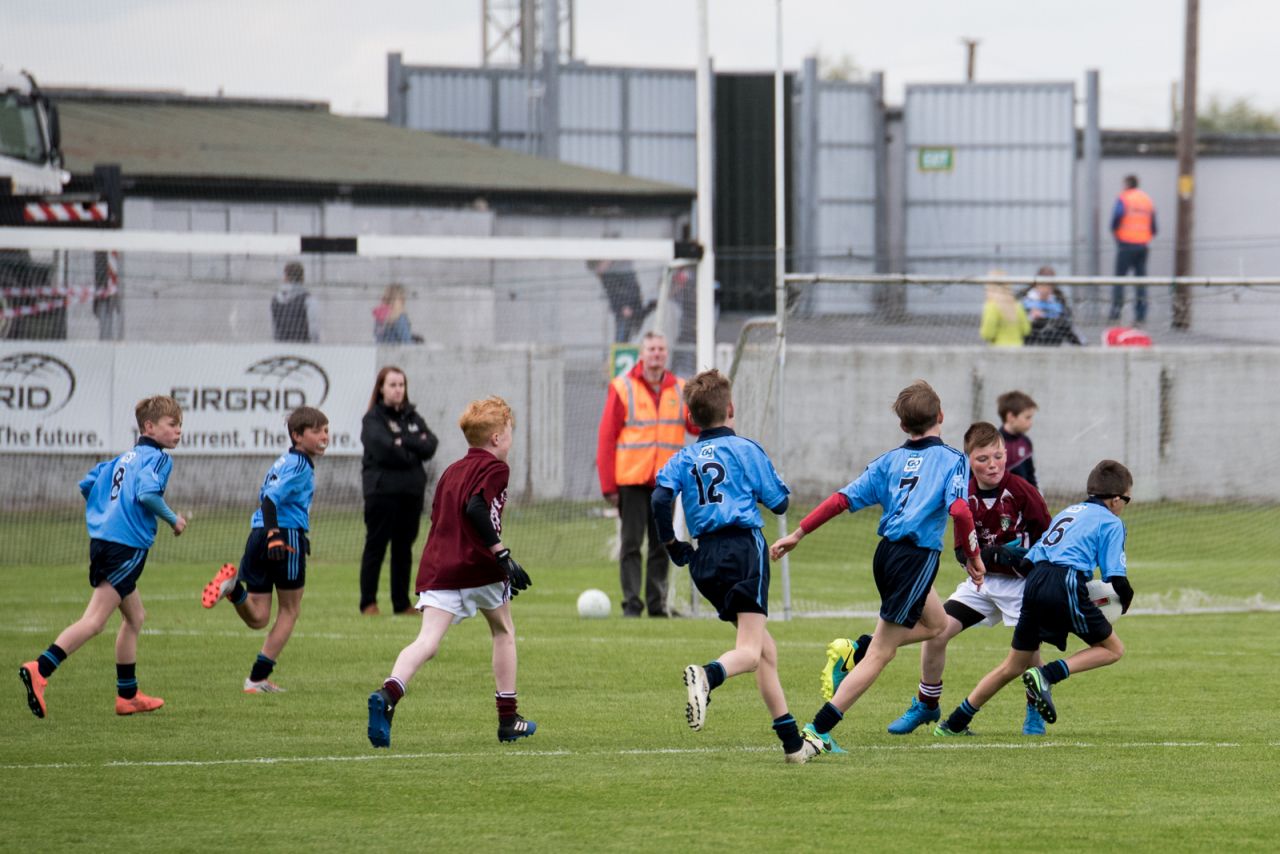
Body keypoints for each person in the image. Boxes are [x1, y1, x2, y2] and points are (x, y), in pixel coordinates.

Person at [769, 380, 985, 758]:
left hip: (885, 555)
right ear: (941, 416)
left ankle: (858, 650)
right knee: (882, 654)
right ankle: (817, 731)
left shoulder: (888, 461)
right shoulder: (953, 459)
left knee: (937, 625)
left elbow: (841, 499)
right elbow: (961, 510)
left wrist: (798, 533)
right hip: (914, 559)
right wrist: (970, 554)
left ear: (903, 427)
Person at [650, 370, 808, 763]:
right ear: (731, 408)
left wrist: (672, 543)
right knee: (751, 652)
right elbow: (780, 503)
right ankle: (707, 675)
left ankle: (792, 745)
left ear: (692, 419)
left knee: (765, 651)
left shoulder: (683, 457)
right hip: (743, 550)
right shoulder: (745, 449)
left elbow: (658, 499)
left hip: (704, 560)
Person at [365, 396, 534, 748]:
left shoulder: (450, 471)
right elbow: (476, 509)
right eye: (510, 432)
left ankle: (388, 693)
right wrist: (501, 556)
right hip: (479, 567)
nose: (510, 439)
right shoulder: (497, 468)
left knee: (426, 643)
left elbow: (441, 519)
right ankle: (508, 718)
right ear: (497, 438)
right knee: (503, 631)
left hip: (440, 566)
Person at [934, 460, 1135, 736]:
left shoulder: (1069, 513)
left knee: (1014, 665)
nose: (1124, 506)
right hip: (1063, 581)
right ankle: (1047, 674)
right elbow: (1117, 579)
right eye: (1127, 500)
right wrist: (1124, 601)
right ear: (1115, 500)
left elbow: (1029, 560)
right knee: (1113, 649)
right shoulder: (1112, 522)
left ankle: (954, 723)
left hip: (1033, 582)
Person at [19, 396, 187, 719]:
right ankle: (40, 668)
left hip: (103, 542)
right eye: (172, 425)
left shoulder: (121, 458)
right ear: (150, 427)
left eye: (180, 425)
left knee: (135, 617)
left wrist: (107, 509)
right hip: (125, 546)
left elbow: (87, 484)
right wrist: (173, 520)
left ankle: (128, 695)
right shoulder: (159, 459)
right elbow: (148, 494)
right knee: (95, 621)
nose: (178, 432)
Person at [880, 422, 1052, 736]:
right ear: (968, 460)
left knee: (1029, 655)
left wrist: (1019, 558)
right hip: (982, 586)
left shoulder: (1022, 491)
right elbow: (961, 545)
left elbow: (1050, 538)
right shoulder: (964, 493)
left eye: (998, 456)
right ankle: (927, 704)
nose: (993, 465)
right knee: (937, 632)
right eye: (983, 459)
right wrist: (974, 558)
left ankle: (1035, 712)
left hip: (1022, 588)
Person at [200, 407, 329, 693]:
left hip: (257, 535)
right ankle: (258, 678)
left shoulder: (283, 461)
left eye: (326, 430)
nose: (324, 437)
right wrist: (276, 535)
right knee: (290, 610)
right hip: (281, 537)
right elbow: (270, 500)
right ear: (297, 435)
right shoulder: (299, 466)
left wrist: (268, 532)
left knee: (258, 617)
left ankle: (234, 589)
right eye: (317, 431)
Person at [596, 331, 698, 617]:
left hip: (666, 482)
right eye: (652, 348)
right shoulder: (622, 387)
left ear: (667, 354)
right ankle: (631, 604)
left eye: (661, 349)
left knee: (663, 543)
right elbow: (606, 438)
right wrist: (609, 486)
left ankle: (657, 605)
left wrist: (717, 406)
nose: (656, 354)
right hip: (631, 480)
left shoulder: (680, 388)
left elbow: (695, 425)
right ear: (642, 353)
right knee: (630, 543)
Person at [359, 366, 439, 615]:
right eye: (392, 385)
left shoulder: (411, 416)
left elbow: (431, 444)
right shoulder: (373, 419)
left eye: (401, 385)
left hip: (410, 493)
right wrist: (410, 447)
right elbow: (384, 449)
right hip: (382, 493)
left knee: (403, 548)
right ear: (381, 388)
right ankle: (368, 602)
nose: (397, 390)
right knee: (377, 545)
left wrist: (402, 441)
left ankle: (401, 603)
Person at [1108, 175, 1157, 325]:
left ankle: (1116, 313)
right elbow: (1154, 226)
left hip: (1125, 244)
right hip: (1142, 245)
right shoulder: (1147, 200)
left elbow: (1117, 217)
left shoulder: (1124, 198)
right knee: (1140, 282)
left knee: (1119, 280)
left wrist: (1116, 233)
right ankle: (1141, 315)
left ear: (1127, 184)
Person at [588, 258, 645, 343]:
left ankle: (622, 349)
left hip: (628, 308)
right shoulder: (607, 275)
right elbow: (613, 293)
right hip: (622, 309)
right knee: (623, 332)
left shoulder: (622, 269)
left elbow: (633, 289)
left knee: (624, 333)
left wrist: (627, 306)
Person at [1022, 266, 1082, 347]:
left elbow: (1067, 323)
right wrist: (1030, 317)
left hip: (1052, 340)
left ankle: (1082, 348)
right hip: (1031, 340)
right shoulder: (1024, 299)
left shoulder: (1059, 300)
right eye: (1043, 284)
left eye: (1049, 285)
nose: (1046, 289)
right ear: (1036, 284)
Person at [997, 390, 1038, 490]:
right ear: (1011, 417)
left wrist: (1036, 496)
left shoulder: (1026, 442)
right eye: (1027, 417)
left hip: (1022, 500)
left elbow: (1030, 475)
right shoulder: (993, 443)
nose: (1031, 422)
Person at [271, 262, 319, 343]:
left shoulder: (275, 299)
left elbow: (274, 329)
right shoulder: (308, 299)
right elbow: (313, 328)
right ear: (302, 277)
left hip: (282, 347)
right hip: (302, 347)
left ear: (285, 277)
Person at [980, 282, 1031, 347]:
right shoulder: (1017, 305)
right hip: (1017, 348)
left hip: (998, 349)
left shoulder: (991, 306)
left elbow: (988, 334)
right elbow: (1026, 330)